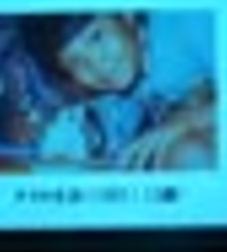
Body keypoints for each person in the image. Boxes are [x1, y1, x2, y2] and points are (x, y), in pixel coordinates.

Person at [22, 11, 216, 170]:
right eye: (77, 62)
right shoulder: (128, 86)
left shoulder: (184, 22)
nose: (98, 64)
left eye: (96, 37)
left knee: (188, 155)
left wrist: (186, 121)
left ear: (126, 16)